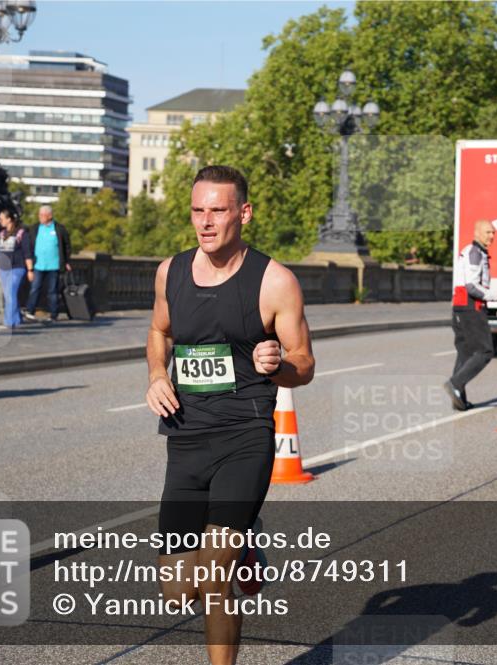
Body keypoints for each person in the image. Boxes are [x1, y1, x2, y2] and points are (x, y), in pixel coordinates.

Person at [145, 165, 315, 664]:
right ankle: (246, 543)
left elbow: (304, 363)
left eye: (217, 210)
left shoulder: (274, 281)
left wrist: (279, 365)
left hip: (245, 437)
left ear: (244, 212)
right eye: (198, 210)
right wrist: (158, 374)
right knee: (178, 591)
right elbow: (159, 332)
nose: (206, 221)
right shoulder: (169, 272)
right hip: (186, 439)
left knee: (213, 578)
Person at [445, 219, 497, 411]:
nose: (492, 236)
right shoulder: (475, 253)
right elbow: (472, 286)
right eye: (488, 232)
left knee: (465, 353)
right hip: (471, 308)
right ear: (477, 232)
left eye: (493, 233)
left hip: (460, 307)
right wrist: (495, 296)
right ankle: (455, 384)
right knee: (485, 352)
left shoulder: (472, 252)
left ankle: (459, 400)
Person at [24, 205, 71, 322]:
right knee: (35, 288)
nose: (40, 217)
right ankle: (30, 311)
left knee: (52, 291)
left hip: (53, 265)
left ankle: (53, 314)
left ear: (49, 216)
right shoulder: (34, 228)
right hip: (38, 265)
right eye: (39, 214)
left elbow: (67, 246)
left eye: (42, 215)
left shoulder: (59, 229)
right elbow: (29, 245)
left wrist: (66, 261)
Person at [0, 209, 33, 329]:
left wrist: (30, 270)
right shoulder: (1, 234)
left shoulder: (21, 233)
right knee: (10, 295)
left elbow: (27, 253)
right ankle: (17, 319)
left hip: (17, 267)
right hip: (4, 268)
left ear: (9, 219)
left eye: (1, 219)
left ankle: (9, 322)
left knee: (10, 292)